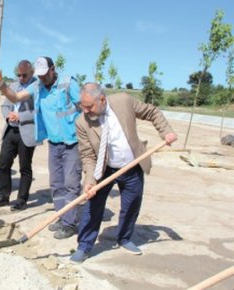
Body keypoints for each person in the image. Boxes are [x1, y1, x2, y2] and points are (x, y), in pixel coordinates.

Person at [70, 82, 177, 263]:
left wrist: (166, 132)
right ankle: (84, 246)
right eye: (83, 106)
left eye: (89, 106)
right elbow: (87, 155)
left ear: (102, 99)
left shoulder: (124, 101)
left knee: (132, 204)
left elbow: (152, 112)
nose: (85, 111)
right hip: (102, 169)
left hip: (131, 165)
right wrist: (89, 181)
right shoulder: (82, 122)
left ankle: (124, 238)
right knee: (92, 207)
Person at [0, 56, 82, 239]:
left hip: (72, 142)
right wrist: (1, 83)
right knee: (56, 184)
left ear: (52, 69)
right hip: (54, 143)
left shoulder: (68, 83)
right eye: (39, 75)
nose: (42, 78)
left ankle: (71, 223)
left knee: (71, 184)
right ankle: (61, 216)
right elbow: (15, 96)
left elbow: (83, 107)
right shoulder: (38, 86)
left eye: (44, 74)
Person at [0, 60, 37, 211]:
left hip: (27, 131)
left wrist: (21, 116)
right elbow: (5, 105)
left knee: (25, 167)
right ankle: (4, 196)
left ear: (32, 72)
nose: (21, 78)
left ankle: (21, 200)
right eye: (19, 75)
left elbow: (39, 111)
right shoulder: (14, 86)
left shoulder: (37, 87)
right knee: (4, 163)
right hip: (11, 130)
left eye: (24, 75)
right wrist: (8, 116)